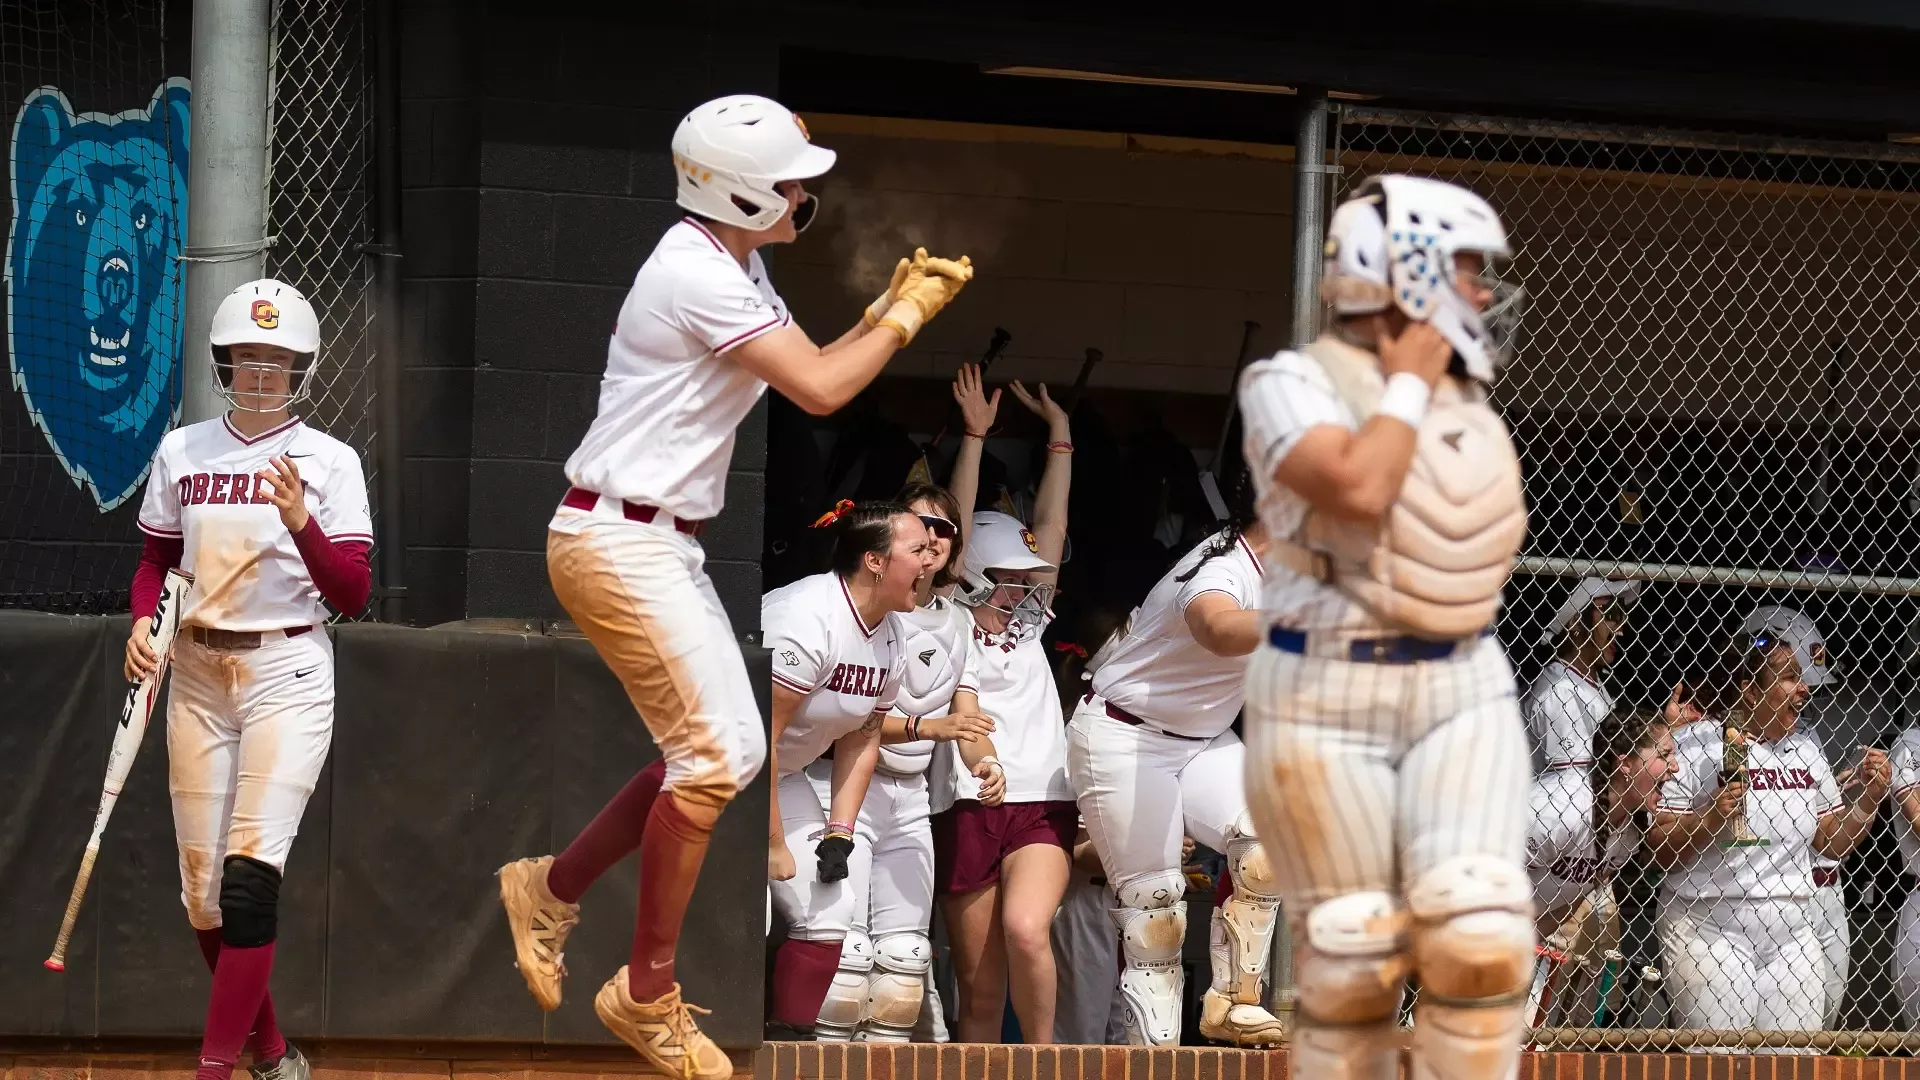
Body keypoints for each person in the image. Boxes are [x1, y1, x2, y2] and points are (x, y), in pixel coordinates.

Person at [493, 93, 972, 1080]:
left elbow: (813, 364)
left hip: (656, 542)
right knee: (715, 756)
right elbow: (826, 389)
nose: (806, 194)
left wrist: (881, 315)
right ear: (742, 190)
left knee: (722, 753)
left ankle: (551, 889)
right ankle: (647, 989)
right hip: (617, 538)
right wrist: (904, 322)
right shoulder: (694, 272)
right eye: (793, 180)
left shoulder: (731, 265)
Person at [1236, 173, 1535, 1080]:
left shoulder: (1462, 401)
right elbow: (1358, 489)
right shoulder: (1288, 382)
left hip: (1462, 685)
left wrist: (1420, 382)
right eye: (1468, 272)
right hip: (1326, 688)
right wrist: (1404, 382)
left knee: (1482, 935)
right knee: (1355, 954)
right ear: (1402, 274)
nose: (1483, 293)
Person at [128, 279, 372, 1080]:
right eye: (245, 358)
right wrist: (142, 624)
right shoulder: (183, 450)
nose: (259, 372)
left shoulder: (330, 462)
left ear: (300, 368)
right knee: (203, 898)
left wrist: (302, 520)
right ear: (222, 362)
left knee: (247, 883)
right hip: (196, 671)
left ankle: (215, 1071)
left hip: (288, 670)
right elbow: (158, 559)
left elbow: (354, 594)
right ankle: (272, 1054)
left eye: (277, 360)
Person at [809, 364, 1007, 1043]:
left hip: (912, 799)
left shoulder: (955, 616)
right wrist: (933, 724)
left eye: (946, 533)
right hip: (842, 787)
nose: (936, 541)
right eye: (920, 532)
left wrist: (982, 759)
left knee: (902, 964)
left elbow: (968, 717)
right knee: (846, 961)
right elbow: (848, 716)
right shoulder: (869, 610)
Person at [1066, 477, 1287, 1047]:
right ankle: (1153, 1054)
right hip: (1125, 735)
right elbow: (1216, 628)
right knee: (1154, 906)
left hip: (1202, 739)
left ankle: (1233, 1004)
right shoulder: (1224, 567)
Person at [1647, 629, 1889, 1051]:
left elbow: (1829, 842)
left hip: (1791, 924)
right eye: (1789, 677)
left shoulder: (1806, 746)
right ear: (1748, 689)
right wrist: (1710, 817)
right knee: (1717, 1058)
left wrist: (1868, 801)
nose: (1804, 688)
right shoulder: (1694, 745)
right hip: (1710, 921)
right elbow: (1660, 849)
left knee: (1793, 1057)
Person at [763, 503, 951, 1034]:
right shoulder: (805, 615)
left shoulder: (891, 633)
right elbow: (756, 735)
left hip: (778, 775)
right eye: (917, 550)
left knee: (829, 914)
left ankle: (790, 1050)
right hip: (715, 770)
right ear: (873, 561)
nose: (930, 559)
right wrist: (776, 843)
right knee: (748, 913)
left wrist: (839, 833)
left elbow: (863, 736)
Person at [934, 383, 1076, 1044]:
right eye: (1010, 575)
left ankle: (1045, 1060)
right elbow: (952, 535)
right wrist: (974, 437)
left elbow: (1052, 527)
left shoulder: (1030, 626)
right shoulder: (947, 623)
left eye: (1027, 576)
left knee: (1027, 928)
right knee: (980, 991)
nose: (1023, 585)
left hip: (1040, 802)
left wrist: (1060, 438)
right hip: (967, 803)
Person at [1523, 708, 1674, 1029]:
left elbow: (1568, 900)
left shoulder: (1630, 831)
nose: (1675, 767)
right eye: (1665, 755)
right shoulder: (1562, 811)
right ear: (1625, 764)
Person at [1741, 605, 1849, 1026]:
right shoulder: (1727, 741)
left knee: (1824, 1017)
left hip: (1826, 887)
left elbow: (1826, 818)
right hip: (1776, 891)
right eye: (1792, 678)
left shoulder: (1807, 735)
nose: (1806, 692)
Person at [1525, 578, 1640, 771]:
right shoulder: (1560, 692)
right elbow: (1573, 785)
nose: (1620, 629)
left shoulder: (1594, 681)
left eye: (1621, 614)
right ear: (1575, 622)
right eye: (1610, 612)